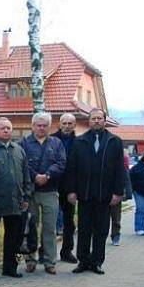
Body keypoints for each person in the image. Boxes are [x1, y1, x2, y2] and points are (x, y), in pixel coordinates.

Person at [65, 108, 124, 275]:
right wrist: (71, 191)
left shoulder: (114, 141)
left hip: (104, 195)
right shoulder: (80, 141)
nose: (96, 121)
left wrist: (118, 192)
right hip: (84, 194)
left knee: (101, 230)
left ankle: (97, 261)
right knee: (84, 229)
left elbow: (120, 169)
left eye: (99, 118)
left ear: (104, 120)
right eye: (93, 118)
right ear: (89, 121)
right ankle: (83, 261)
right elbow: (72, 168)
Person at [0, 118, 33, 278]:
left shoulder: (19, 150)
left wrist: (26, 196)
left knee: (13, 237)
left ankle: (10, 268)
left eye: (9, 128)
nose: (6, 131)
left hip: (15, 202)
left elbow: (26, 175)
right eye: (2, 128)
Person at [20, 112, 66, 274]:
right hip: (30, 192)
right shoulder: (24, 143)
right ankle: (30, 260)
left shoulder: (56, 143)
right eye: (38, 125)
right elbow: (22, 164)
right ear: (32, 126)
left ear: (49, 126)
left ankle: (49, 261)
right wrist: (35, 176)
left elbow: (61, 163)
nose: (41, 128)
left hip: (50, 191)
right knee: (30, 227)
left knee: (50, 228)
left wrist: (47, 175)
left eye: (44, 125)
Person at [53, 113, 78, 264]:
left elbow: (81, 168)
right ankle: (46, 251)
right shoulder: (51, 139)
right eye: (64, 123)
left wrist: (75, 190)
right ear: (59, 124)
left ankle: (66, 251)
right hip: (52, 185)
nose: (67, 126)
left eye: (70, 123)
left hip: (70, 188)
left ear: (74, 125)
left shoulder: (80, 142)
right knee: (49, 221)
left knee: (69, 222)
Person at [108, 149, 132, 246]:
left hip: (116, 195)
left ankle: (115, 236)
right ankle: (100, 235)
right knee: (102, 218)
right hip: (104, 195)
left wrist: (127, 194)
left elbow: (126, 180)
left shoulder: (121, 165)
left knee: (116, 218)